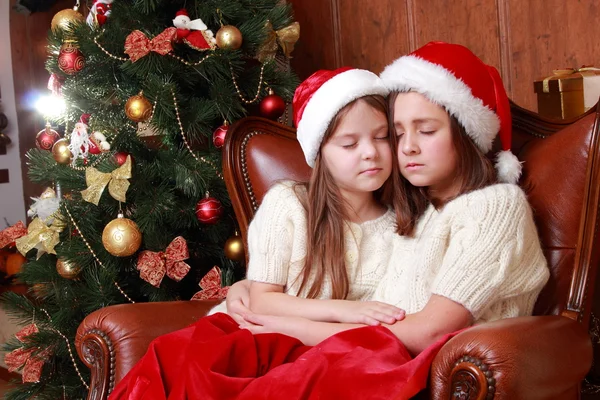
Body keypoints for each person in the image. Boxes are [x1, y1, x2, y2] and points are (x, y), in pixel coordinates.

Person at [231, 42, 549, 358]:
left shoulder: (495, 206)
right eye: (397, 134)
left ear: (465, 133)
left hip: (409, 365)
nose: (407, 147)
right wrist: (245, 290)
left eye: (425, 130)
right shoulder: (415, 212)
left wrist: (294, 329)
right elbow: (366, 300)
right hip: (364, 357)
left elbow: (430, 331)